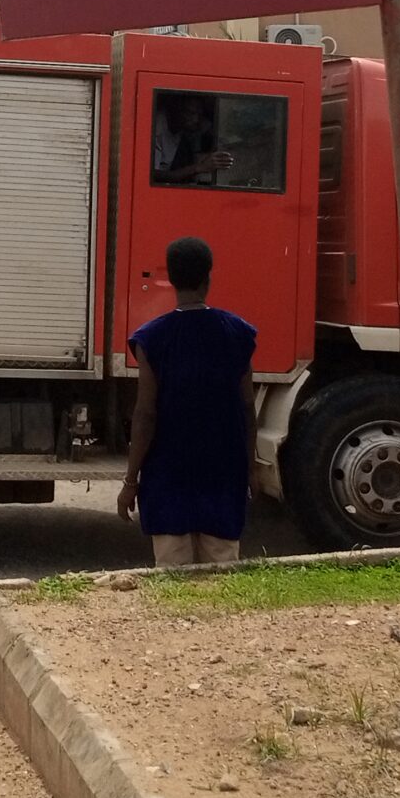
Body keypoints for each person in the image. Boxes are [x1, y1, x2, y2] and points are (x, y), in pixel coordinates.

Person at [116, 237, 256, 566]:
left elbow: (146, 414)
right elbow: (247, 406)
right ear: (208, 278)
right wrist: (250, 470)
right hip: (223, 474)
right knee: (222, 574)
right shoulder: (238, 334)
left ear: (173, 281)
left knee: (172, 580)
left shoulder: (151, 338)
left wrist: (130, 481)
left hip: (168, 478)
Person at [152, 95, 234, 186]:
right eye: (191, 113)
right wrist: (199, 167)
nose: (196, 120)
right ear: (177, 109)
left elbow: (212, 130)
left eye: (199, 115)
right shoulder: (157, 127)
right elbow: (154, 175)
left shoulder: (183, 128)